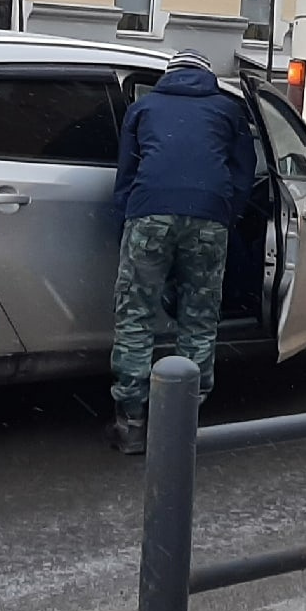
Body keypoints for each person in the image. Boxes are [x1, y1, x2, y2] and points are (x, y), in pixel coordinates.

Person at [108, 51, 257, 455]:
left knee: (135, 315)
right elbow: (244, 173)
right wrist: (227, 213)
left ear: (168, 75)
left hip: (149, 213)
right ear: (206, 75)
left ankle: (132, 422)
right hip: (209, 217)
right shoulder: (229, 110)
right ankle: (182, 419)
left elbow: (126, 174)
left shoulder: (143, 108)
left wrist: (124, 221)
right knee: (199, 317)